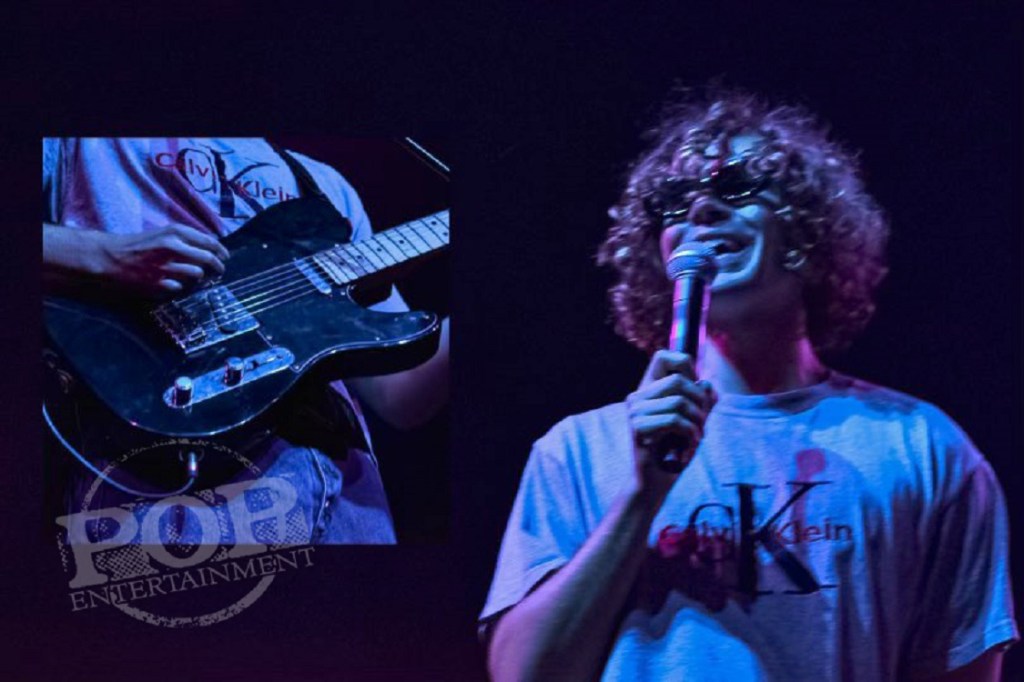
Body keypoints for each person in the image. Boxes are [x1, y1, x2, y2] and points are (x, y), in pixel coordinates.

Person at [480, 90, 1018, 680]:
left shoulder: (922, 448)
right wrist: (641, 495)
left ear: (808, 236)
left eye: (736, 186)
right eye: (672, 202)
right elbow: (522, 675)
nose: (699, 208)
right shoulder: (579, 450)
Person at [43, 137, 449, 545]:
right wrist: (105, 254)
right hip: (175, 481)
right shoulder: (86, 142)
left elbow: (400, 397)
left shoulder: (326, 186)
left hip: (351, 498)